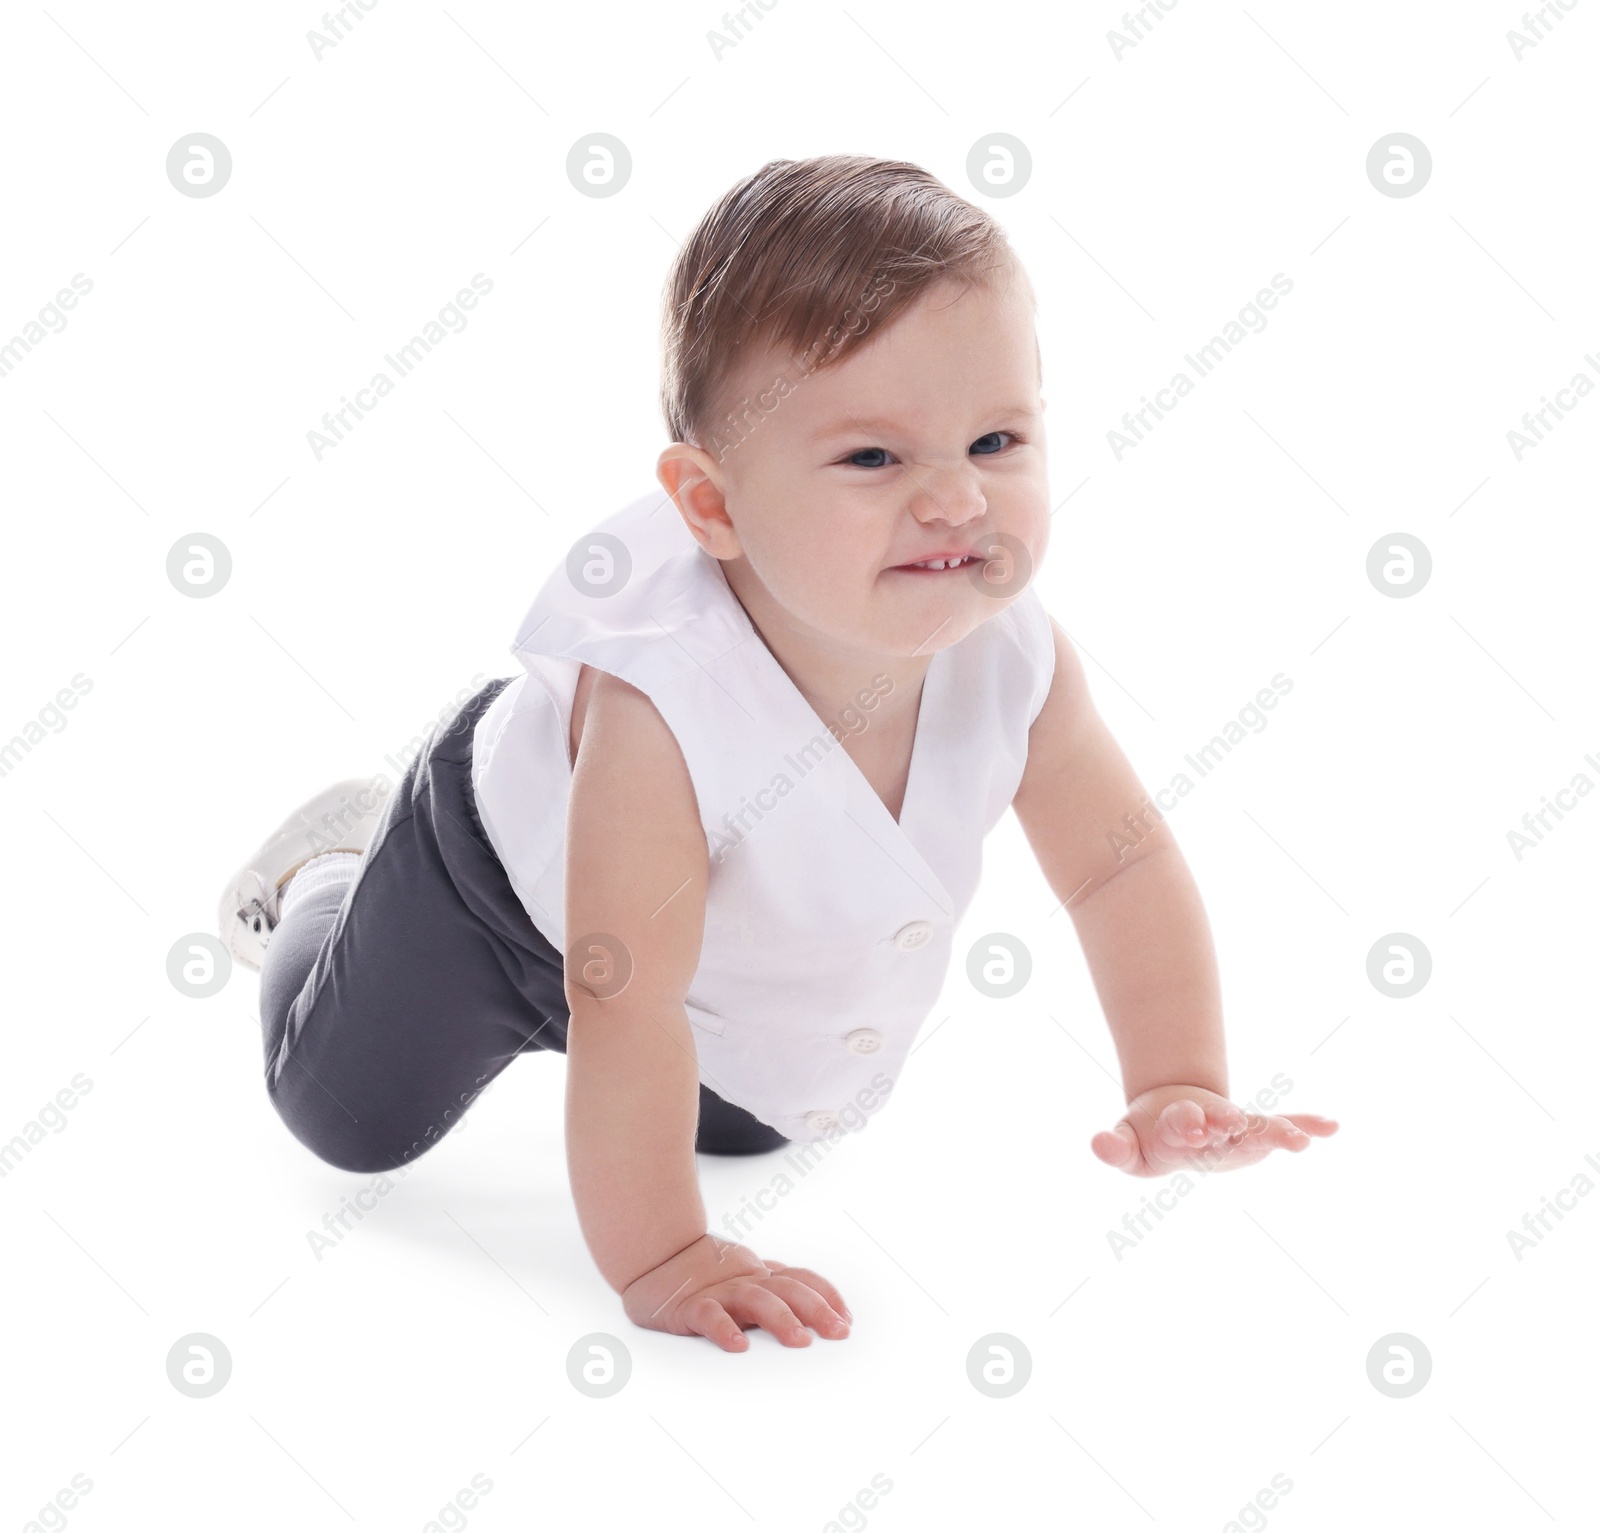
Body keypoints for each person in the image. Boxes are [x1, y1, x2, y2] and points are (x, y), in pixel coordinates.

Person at [218, 153, 1338, 1355]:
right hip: (492, 889)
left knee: (761, 1121)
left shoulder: (1011, 658)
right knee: (345, 1119)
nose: (957, 500)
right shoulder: (665, 706)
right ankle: (330, 870)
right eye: (873, 458)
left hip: (693, 966)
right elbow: (624, 990)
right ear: (712, 509)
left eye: (998, 438)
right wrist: (664, 1257)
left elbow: (1118, 868)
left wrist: (1176, 1079)